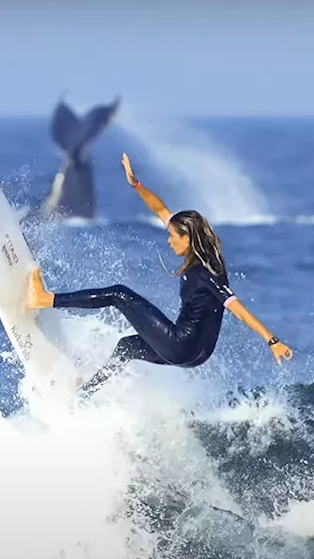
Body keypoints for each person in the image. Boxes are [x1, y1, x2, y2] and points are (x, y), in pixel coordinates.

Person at [26, 152, 294, 393]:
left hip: (181, 345)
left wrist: (272, 341)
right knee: (127, 346)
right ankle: (86, 392)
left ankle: (45, 299)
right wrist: (137, 185)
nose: (168, 240)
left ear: (187, 238)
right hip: (197, 355)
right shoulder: (201, 253)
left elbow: (237, 308)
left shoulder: (204, 272)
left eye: (172, 237)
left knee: (119, 294)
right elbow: (161, 209)